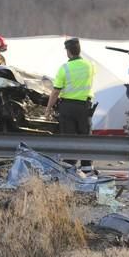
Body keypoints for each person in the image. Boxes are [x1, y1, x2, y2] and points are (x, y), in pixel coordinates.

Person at [45, 37, 97, 175]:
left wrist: (48, 108)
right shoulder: (91, 66)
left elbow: (56, 90)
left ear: (68, 52)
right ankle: (87, 168)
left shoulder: (65, 68)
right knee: (85, 137)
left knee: (69, 137)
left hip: (67, 107)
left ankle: (69, 167)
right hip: (85, 107)